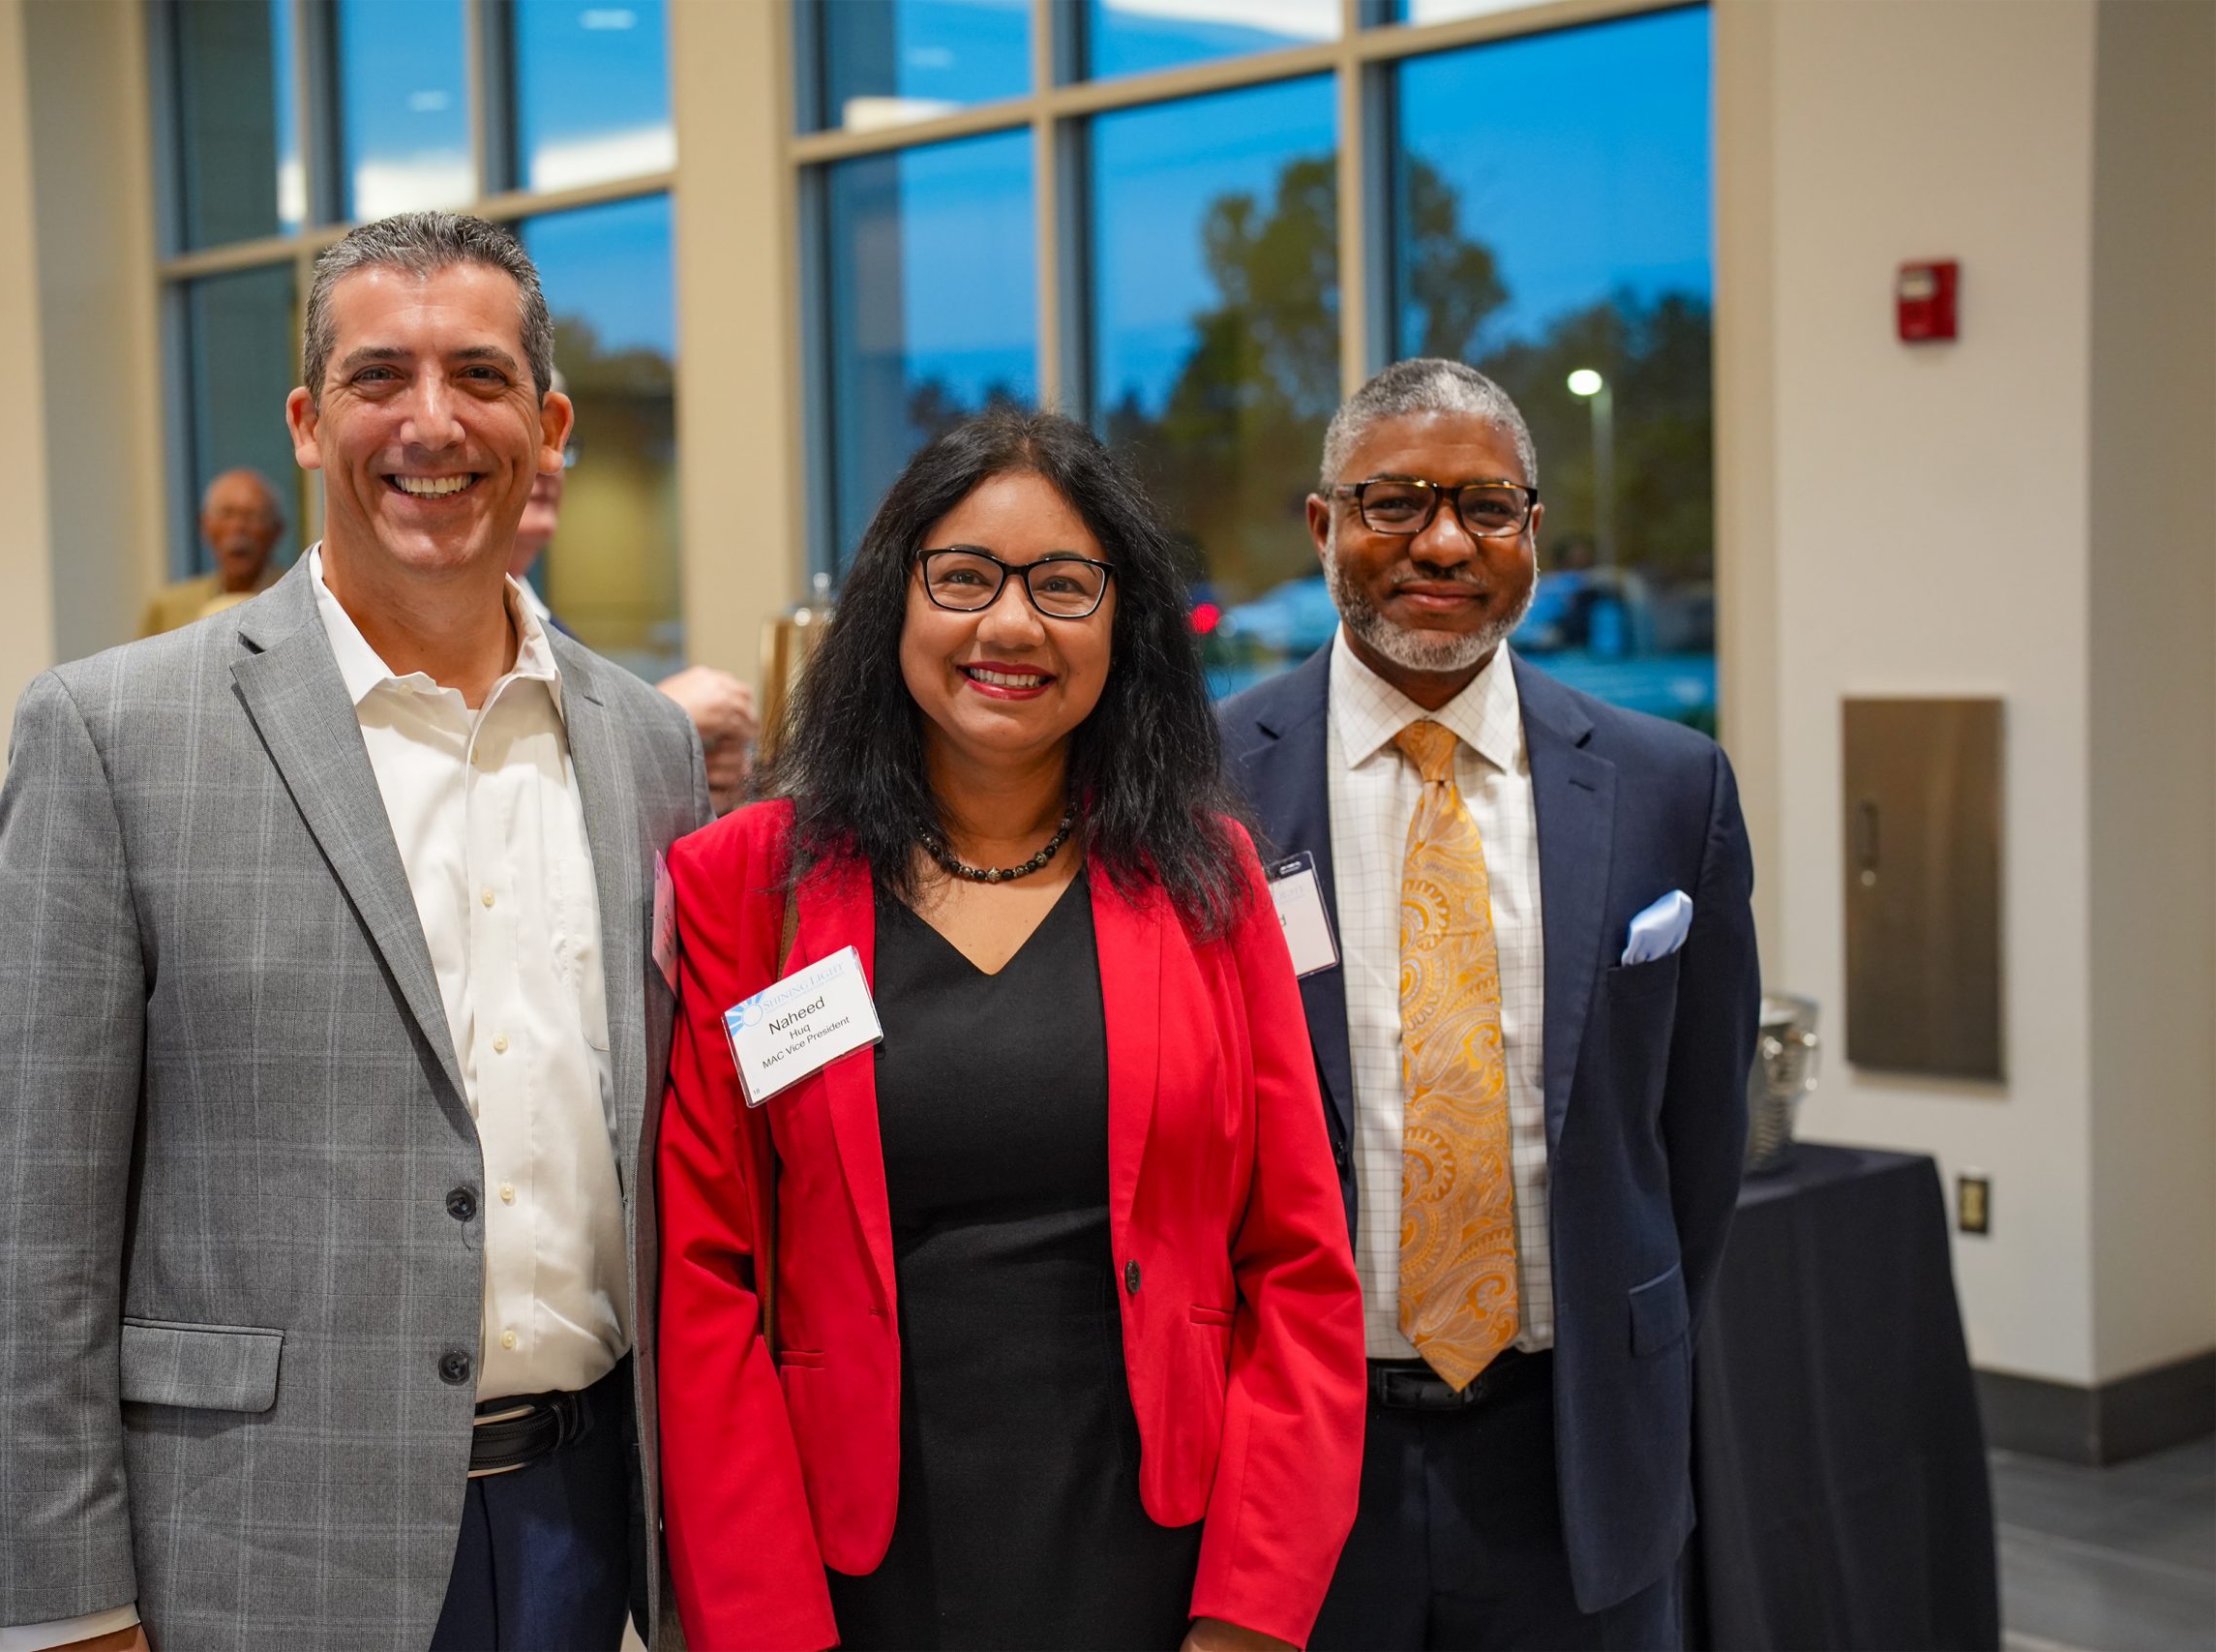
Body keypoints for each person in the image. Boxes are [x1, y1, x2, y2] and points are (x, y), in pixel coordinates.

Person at [0, 210, 712, 1652]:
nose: (433, 422)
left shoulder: (645, 746)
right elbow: (20, 1219)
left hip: (588, 1524)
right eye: (379, 378)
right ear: (308, 421)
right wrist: (69, 1609)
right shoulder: (118, 735)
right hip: (253, 1540)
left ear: (548, 425)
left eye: (480, 377)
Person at [657, 409, 1367, 1651]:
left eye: (1063, 584)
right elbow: (708, 1284)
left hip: (1158, 1560)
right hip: (848, 1571)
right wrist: (763, 1622)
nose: (1010, 624)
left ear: (1121, 626)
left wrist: (1250, 1612)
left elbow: (1299, 1267)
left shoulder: (1211, 882)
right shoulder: (749, 885)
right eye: (965, 577)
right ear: (894, 604)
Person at [1215, 358, 1759, 1649]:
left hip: (1573, 1448)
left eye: (1484, 505)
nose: (1442, 540)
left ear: (1533, 530)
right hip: (1292, 1440)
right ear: (1323, 525)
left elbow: (1697, 1136)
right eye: (1394, 501)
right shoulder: (1202, 783)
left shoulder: (1668, 785)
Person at [510, 464, 758, 812]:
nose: (549, 467)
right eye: (530, 442)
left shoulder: (557, 634)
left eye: (559, 447)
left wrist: (692, 777)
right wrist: (663, 719)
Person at [136, 467, 287, 636]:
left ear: (277, 530)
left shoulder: (298, 600)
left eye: (251, 516)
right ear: (205, 525)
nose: (238, 527)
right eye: (226, 514)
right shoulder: (169, 609)